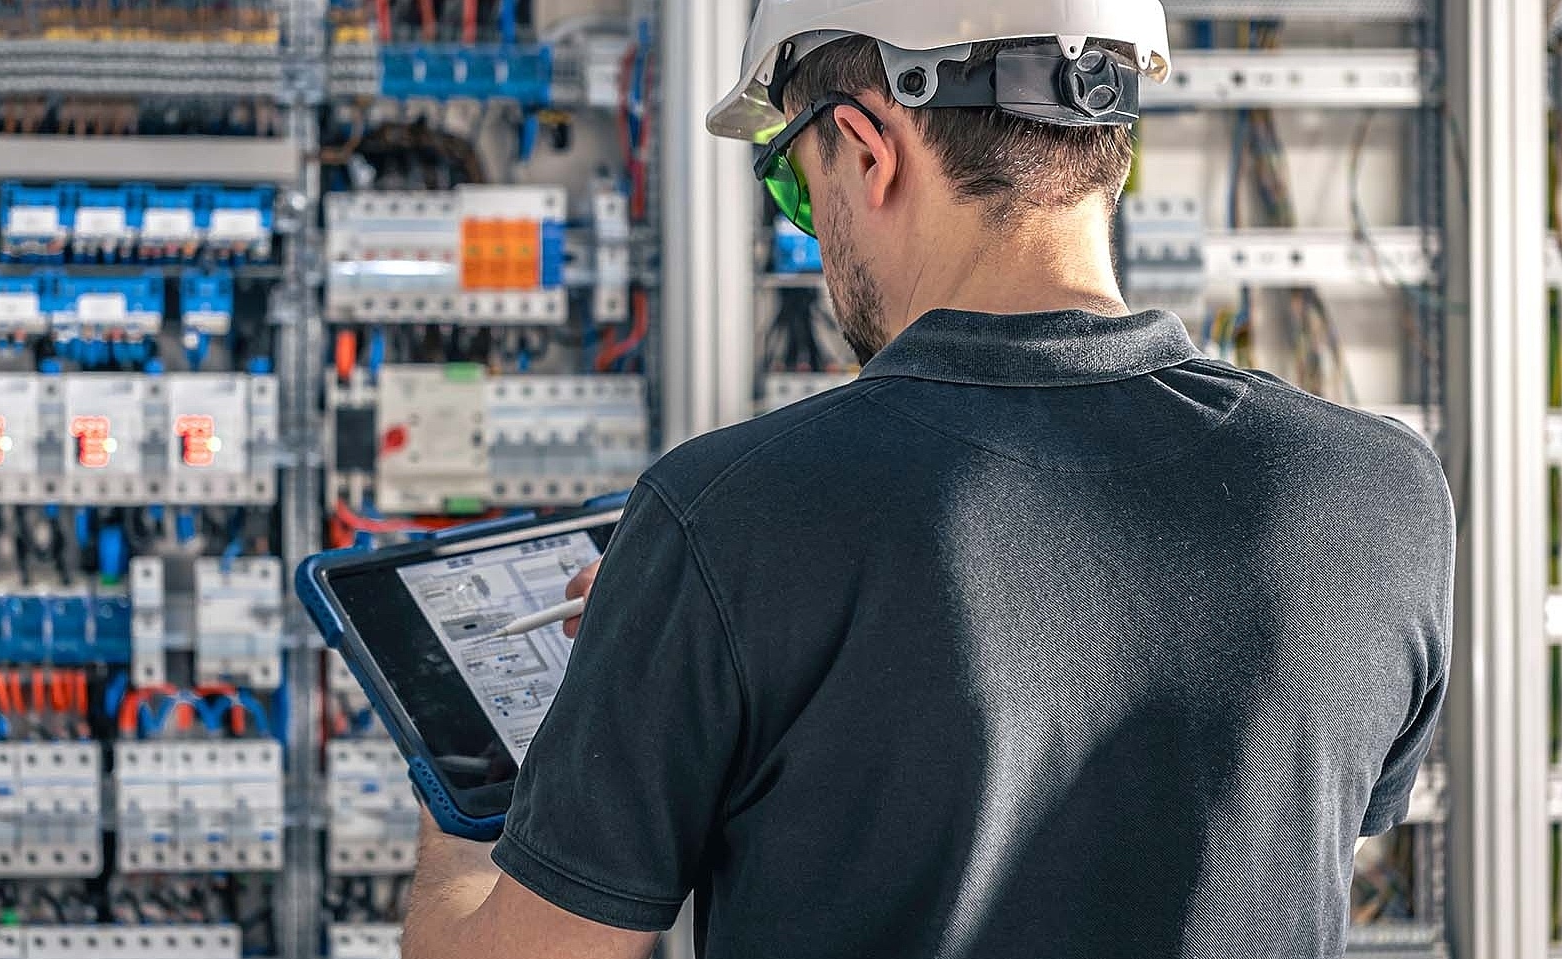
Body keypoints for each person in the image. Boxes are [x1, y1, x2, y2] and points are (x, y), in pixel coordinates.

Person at [400, 1, 1453, 957]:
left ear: (867, 149)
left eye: (793, 184)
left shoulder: (726, 520)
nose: (811, 228)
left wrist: (473, 786)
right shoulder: (1377, 495)